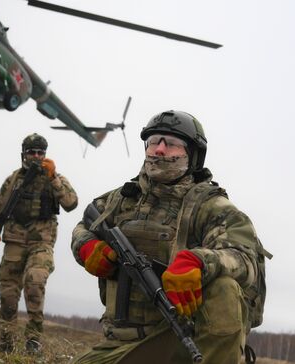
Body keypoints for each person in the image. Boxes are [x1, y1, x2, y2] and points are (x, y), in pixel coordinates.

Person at [71, 110, 268, 363]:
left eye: (172, 143)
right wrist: (86, 246)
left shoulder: (211, 207)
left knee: (224, 288)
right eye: (154, 142)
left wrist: (199, 262)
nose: (159, 150)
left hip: (182, 339)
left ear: (193, 154)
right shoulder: (119, 200)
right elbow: (83, 226)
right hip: (119, 344)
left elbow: (244, 257)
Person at [0, 133, 78, 353]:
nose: (36, 156)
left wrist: (53, 177)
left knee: (35, 283)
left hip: (42, 242)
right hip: (15, 240)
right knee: (8, 294)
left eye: (40, 152)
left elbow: (71, 202)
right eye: (31, 152)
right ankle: (6, 339)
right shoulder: (13, 179)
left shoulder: (54, 177)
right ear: (24, 154)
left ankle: (33, 339)